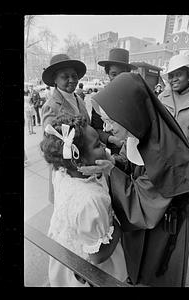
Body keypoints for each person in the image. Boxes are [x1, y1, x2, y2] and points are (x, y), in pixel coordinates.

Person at [79, 72, 189, 287]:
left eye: (110, 121)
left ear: (130, 114)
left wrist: (111, 172)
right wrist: (114, 162)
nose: (107, 129)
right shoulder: (141, 130)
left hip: (167, 224)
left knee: (158, 274)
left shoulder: (166, 153)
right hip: (159, 215)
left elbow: (142, 203)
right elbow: (135, 164)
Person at [40, 113, 127, 287]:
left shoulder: (62, 172)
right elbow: (98, 255)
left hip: (65, 256)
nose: (104, 147)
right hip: (92, 269)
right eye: (97, 145)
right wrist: (118, 226)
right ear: (76, 159)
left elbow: (102, 155)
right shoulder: (91, 200)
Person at [41, 53, 90, 204]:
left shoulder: (79, 99)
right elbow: (52, 147)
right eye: (65, 76)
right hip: (68, 171)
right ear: (55, 80)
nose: (72, 80)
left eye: (74, 76)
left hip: (85, 165)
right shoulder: (51, 106)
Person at [158, 54, 189, 167]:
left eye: (179, 74)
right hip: (165, 154)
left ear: (188, 74)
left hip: (188, 156)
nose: (174, 79)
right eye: (171, 75)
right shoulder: (162, 97)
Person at [91, 48, 138, 156]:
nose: (118, 78)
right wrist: (111, 139)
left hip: (134, 152)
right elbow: (96, 129)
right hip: (109, 151)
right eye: (113, 74)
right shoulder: (99, 100)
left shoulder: (136, 98)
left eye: (122, 74)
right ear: (108, 74)